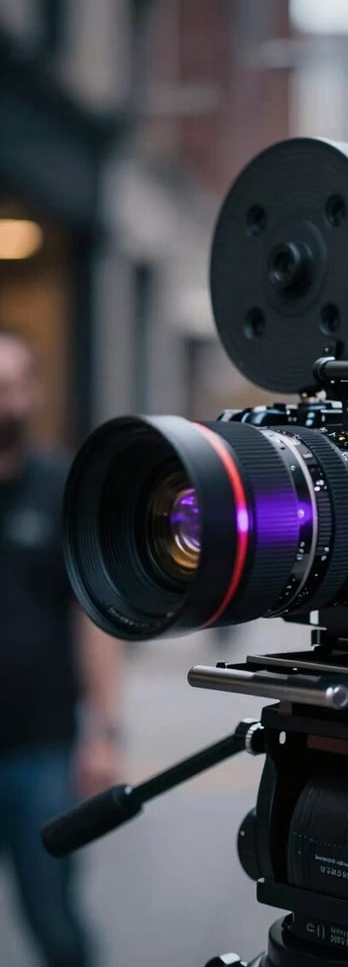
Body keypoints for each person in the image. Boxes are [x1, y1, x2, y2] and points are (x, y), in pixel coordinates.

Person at [0, 328, 121, 967]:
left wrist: (102, 732)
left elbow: (92, 623)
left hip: (42, 750)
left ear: (34, 393)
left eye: (15, 386)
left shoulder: (60, 488)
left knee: (55, 924)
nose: (6, 403)